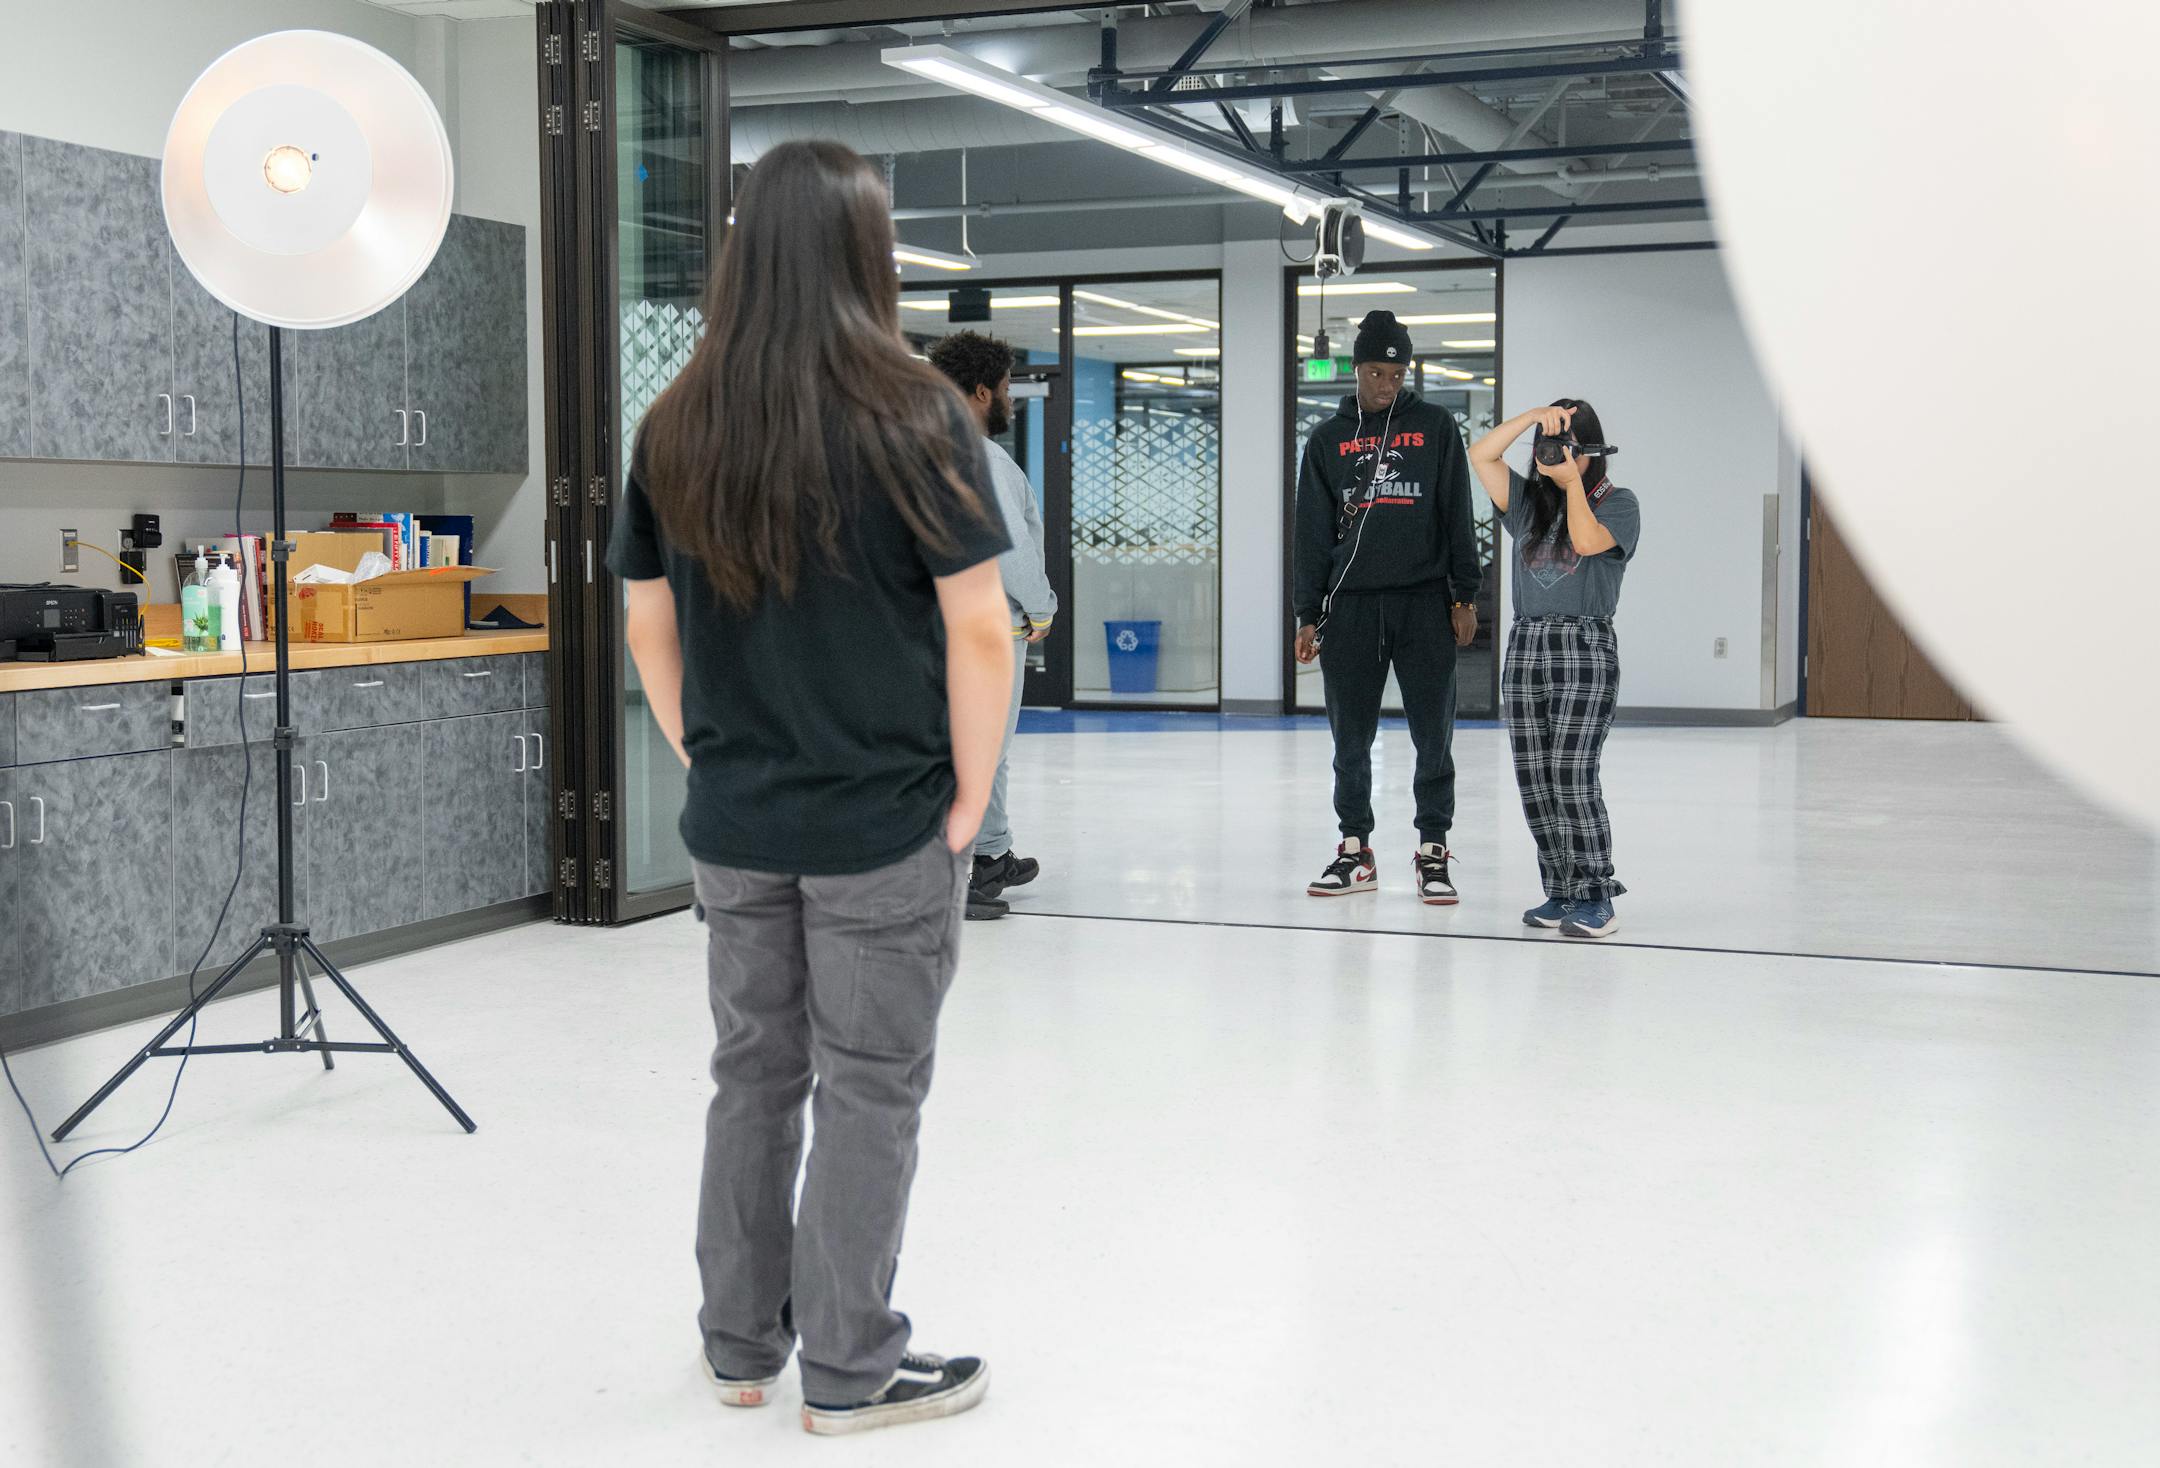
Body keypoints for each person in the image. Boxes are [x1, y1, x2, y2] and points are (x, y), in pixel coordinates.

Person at [610, 140, 1013, 1436]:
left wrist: (696, 751)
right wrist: (969, 803)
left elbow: (646, 620)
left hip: (736, 826)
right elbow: (983, 631)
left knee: (754, 1076)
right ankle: (849, 1366)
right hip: (879, 824)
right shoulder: (915, 413)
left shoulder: (678, 420)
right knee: (870, 1087)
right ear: (867, 254)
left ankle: (739, 1346)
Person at [1291, 308, 1482, 904]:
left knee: (1434, 734)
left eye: (1397, 375)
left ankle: (1432, 850)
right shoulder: (1326, 440)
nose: (1387, 384)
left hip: (1425, 602)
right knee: (1351, 737)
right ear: (1357, 369)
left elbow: (1456, 511)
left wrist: (1464, 593)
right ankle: (1355, 850)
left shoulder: (1436, 427)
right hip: (1349, 609)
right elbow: (1312, 535)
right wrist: (1306, 612)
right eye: (1377, 372)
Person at [1468, 398, 1641, 939]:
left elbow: (1588, 542)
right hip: (1526, 644)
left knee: (1572, 773)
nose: (1553, 456)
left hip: (1584, 643)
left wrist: (1570, 484)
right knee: (1534, 777)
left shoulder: (1620, 502)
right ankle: (1561, 887)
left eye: (1567, 447)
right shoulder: (1525, 504)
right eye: (1547, 449)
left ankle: (1596, 896)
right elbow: (1482, 454)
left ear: (1591, 452)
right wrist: (1533, 419)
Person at [926, 330, 1057, 921]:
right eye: (1005, 389)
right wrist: (1042, 607)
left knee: (987, 752)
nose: (1009, 399)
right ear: (981, 392)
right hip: (984, 634)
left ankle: (991, 853)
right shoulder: (983, 459)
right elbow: (1008, 549)